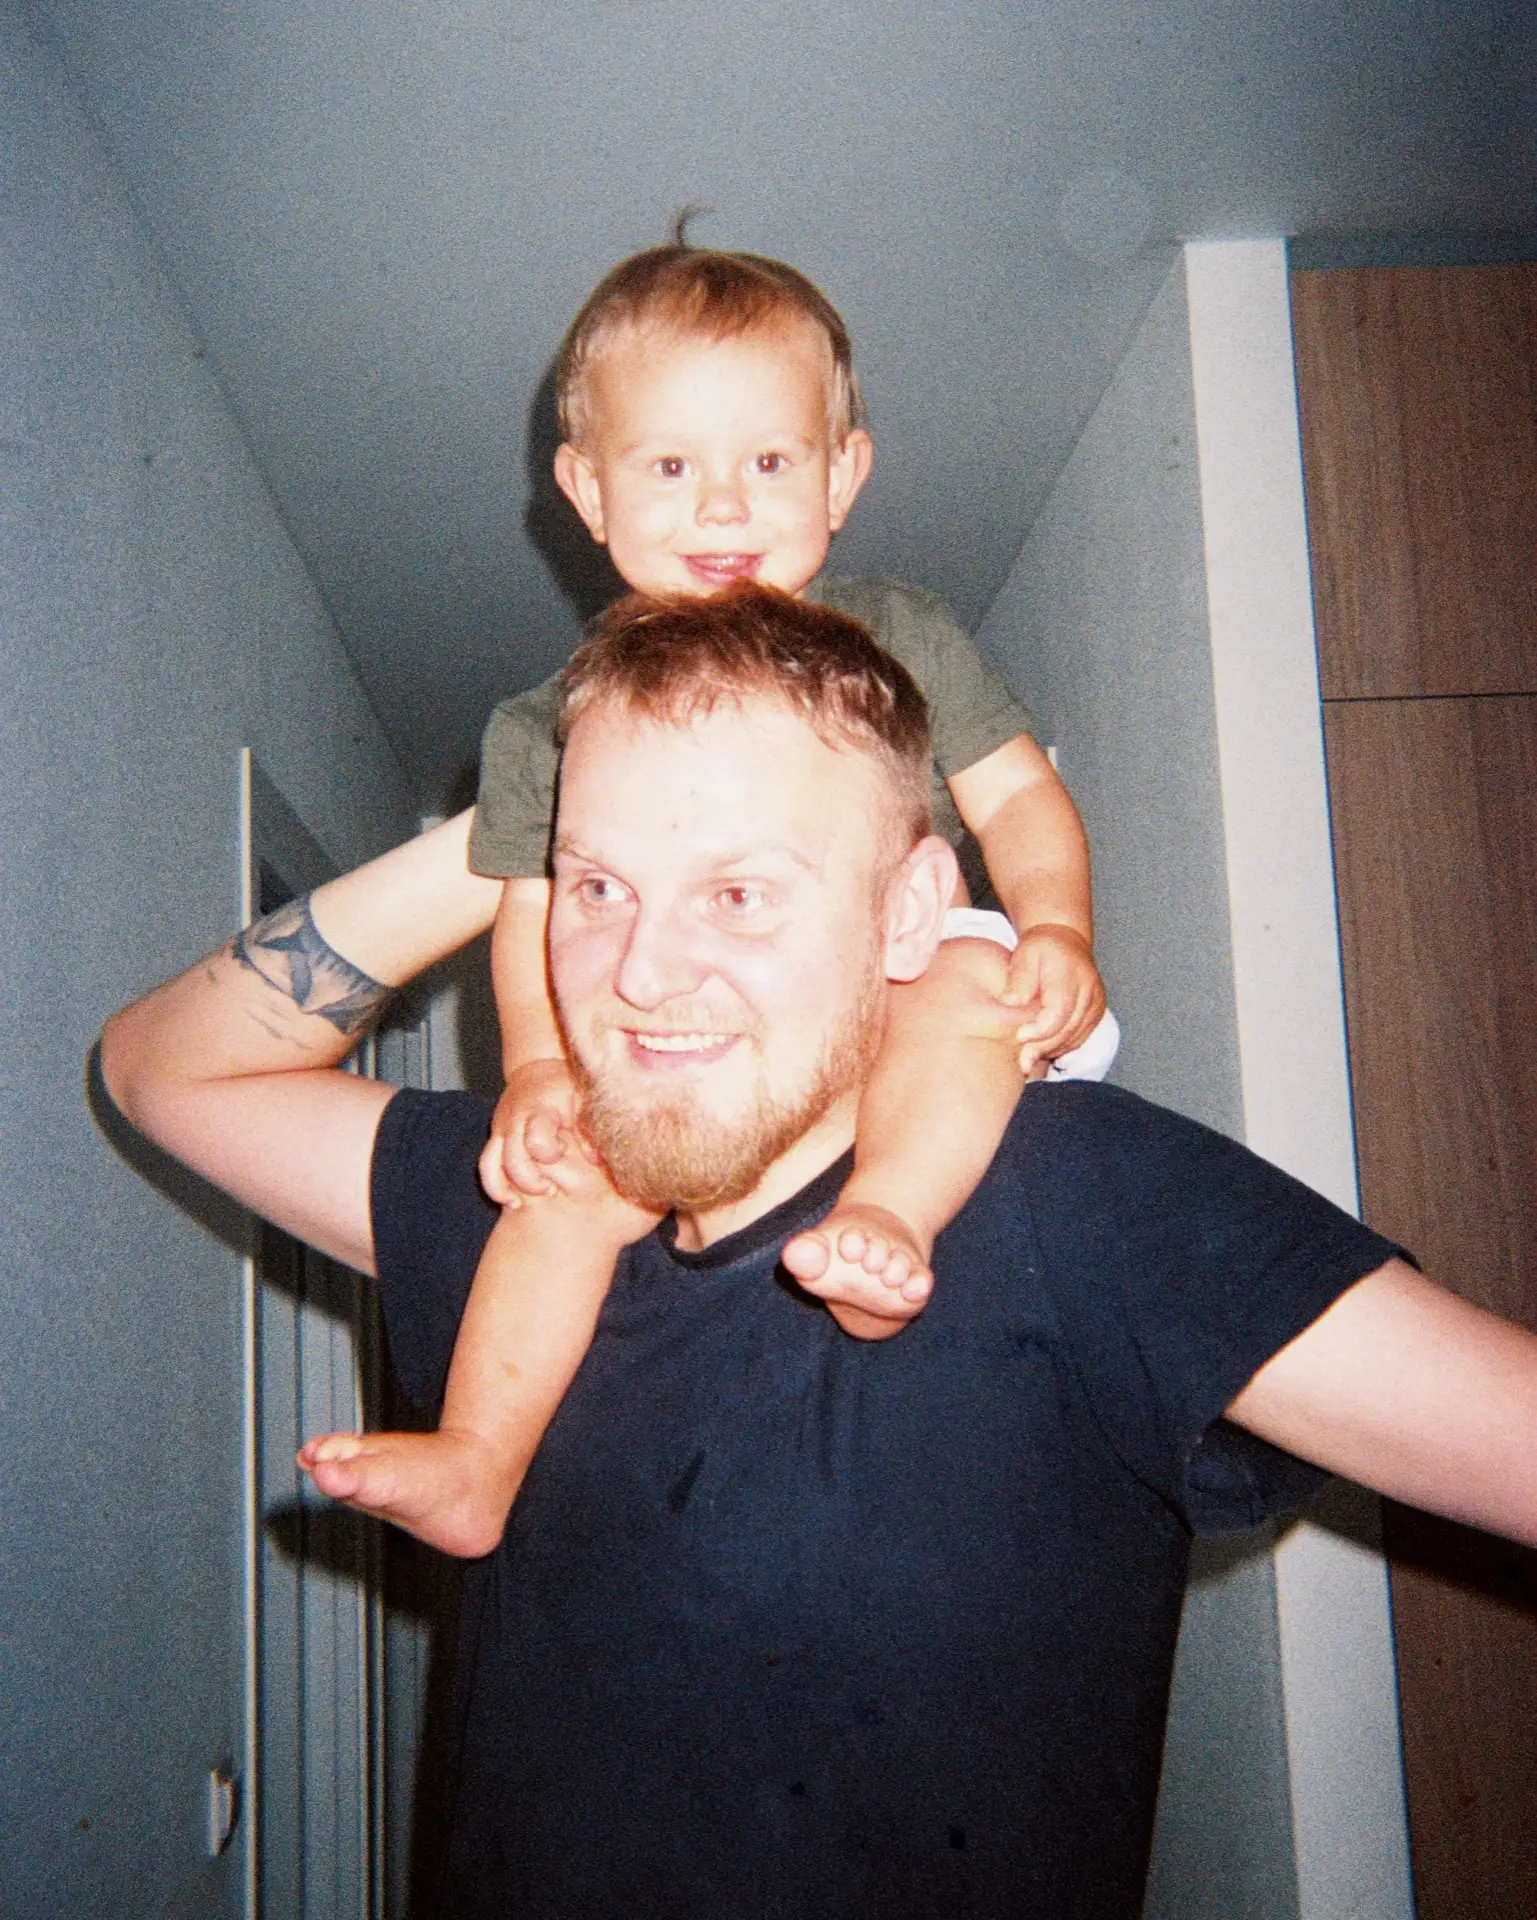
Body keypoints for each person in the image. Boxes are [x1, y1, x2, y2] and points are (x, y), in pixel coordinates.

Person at [102, 586, 1537, 1918]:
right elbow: (161, 1067)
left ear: (906, 913)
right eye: (597, 891)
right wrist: (536, 809)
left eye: (738, 894)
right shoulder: (532, 1210)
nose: (642, 974)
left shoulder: (1076, 1197)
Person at [304, 236, 1119, 1554]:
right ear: (589, 489)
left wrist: (1058, 927)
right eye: (672, 467)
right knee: (569, 1182)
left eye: (771, 463)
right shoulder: (553, 726)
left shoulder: (899, 634)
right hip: (713, 1054)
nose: (725, 507)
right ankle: (476, 1455)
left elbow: (1018, 796)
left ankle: (888, 1219)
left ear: (843, 474)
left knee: (970, 980)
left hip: (913, 980)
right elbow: (533, 910)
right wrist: (538, 1070)